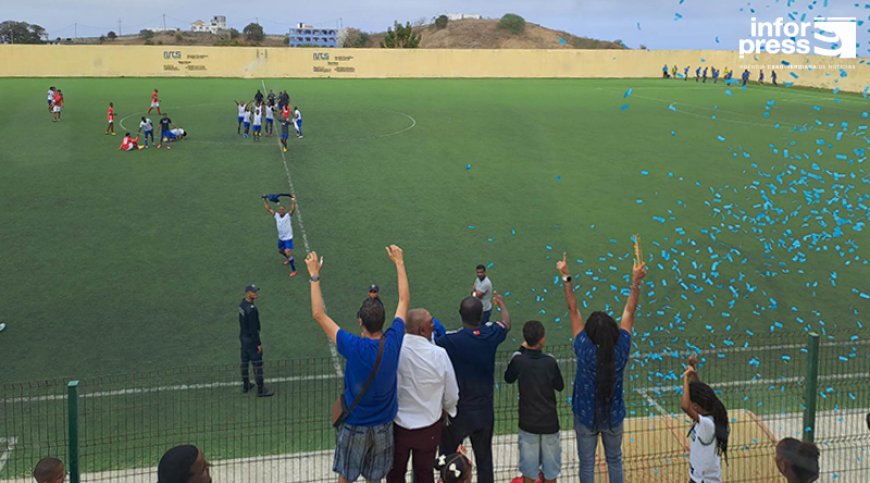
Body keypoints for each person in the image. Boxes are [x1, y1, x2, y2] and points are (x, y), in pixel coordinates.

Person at [305, 244, 409, 483]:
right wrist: (399, 263)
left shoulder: (353, 346)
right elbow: (403, 300)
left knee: (346, 476)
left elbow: (318, 315)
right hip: (384, 426)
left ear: (360, 321)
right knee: (376, 478)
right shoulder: (393, 342)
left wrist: (314, 276)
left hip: (355, 425)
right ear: (384, 321)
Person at [558, 251, 646, 483]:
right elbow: (629, 310)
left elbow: (573, 310)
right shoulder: (622, 348)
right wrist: (635, 282)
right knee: (614, 459)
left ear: (590, 333)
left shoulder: (584, 349)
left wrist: (567, 277)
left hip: (586, 415)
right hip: (613, 415)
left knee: (587, 463)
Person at [436, 294, 511, 483]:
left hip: (459, 411)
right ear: (482, 315)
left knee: (447, 458)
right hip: (484, 411)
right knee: (485, 462)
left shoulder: (451, 340)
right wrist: (501, 304)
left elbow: (432, 342)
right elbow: (506, 324)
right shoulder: (491, 334)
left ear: (460, 314)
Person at [387, 308, 459, 483]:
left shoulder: (394, 350)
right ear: (422, 330)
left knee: (395, 473)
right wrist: (447, 410)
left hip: (398, 425)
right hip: (429, 427)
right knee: (425, 474)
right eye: (430, 323)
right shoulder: (439, 355)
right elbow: (452, 395)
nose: (434, 325)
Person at [504, 320, 564, 483]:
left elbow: (508, 378)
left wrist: (521, 349)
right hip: (549, 423)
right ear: (542, 340)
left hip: (528, 424)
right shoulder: (550, 362)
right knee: (551, 474)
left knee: (529, 474)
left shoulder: (519, 360)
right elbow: (560, 386)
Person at [681, 353, 729, 483]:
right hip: (698, 479)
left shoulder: (707, 424)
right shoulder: (708, 415)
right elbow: (698, 389)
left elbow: (685, 406)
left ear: (696, 406)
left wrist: (685, 377)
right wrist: (691, 368)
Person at [238, 284, 273, 397]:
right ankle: (261, 390)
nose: (256, 293)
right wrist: (258, 343)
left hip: (243, 338)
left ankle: (246, 385)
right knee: (257, 364)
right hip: (251, 340)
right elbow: (254, 329)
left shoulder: (242, 305)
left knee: (244, 362)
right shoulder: (252, 310)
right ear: (248, 293)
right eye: (253, 292)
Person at [262, 195, 297, 276]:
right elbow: (268, 209)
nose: (281, 210)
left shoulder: (288, 216)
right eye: (280, 209)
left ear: (285, 210)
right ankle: (288, 258)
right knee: (280, 251)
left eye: (282, 209)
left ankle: (294, 270)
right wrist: (264, 200)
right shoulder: (276, 216)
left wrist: (293, 200)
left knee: (287, 251)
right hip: (281, 238)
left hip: (288, 238)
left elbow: (292, 209)